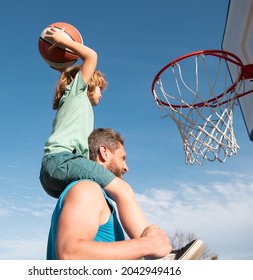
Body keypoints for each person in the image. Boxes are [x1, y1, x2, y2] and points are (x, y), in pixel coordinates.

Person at [39, 25, 150, 241]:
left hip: (50, 174)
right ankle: (154, 249)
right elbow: (91, 56)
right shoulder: (78, 94)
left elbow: (67, 75)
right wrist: (64, 41)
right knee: (123, 191)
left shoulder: (70, 103)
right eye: (100, 88)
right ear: (88, 85)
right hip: (62, 161)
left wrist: (59, 62)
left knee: (100, 195)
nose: (101, 94)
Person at [47, 128, 204, 260]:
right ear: (104, 152)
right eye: (123, 158)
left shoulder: (98, 199)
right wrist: (148, 244)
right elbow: (70, 253)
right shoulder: (87, 189)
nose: (126, 167)